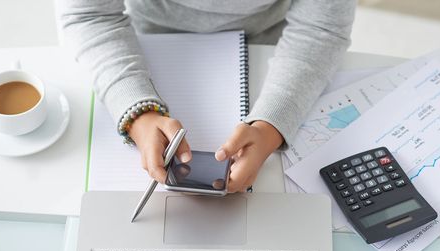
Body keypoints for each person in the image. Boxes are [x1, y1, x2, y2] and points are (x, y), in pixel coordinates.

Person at [59, 0, 355, 192]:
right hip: (138, 40)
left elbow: (322, 28)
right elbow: (88, 14)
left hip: (272, 45)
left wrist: (272, 124)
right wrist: (136, 111)